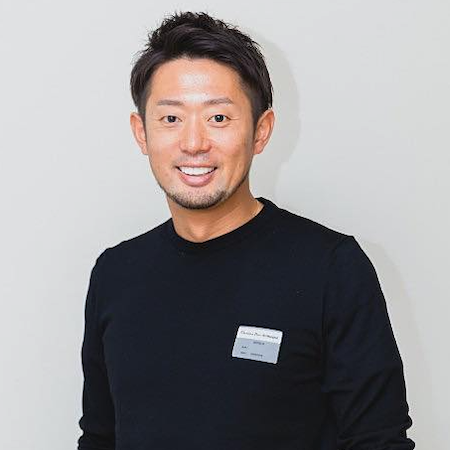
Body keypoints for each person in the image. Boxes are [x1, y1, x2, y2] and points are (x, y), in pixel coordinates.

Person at [77, 11, 415, 450]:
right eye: (171, 119)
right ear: (141, 133)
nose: (194, 143)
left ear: (261, 131)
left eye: (218, 118)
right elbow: (99, 438)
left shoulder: (332, 269)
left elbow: (379, 441)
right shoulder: (115, 273)